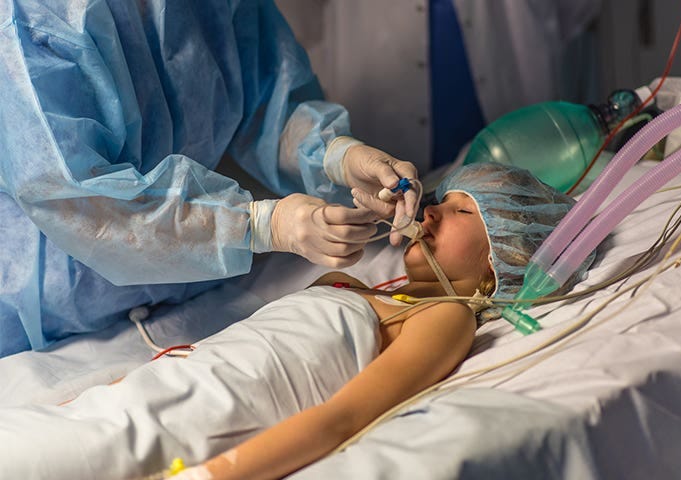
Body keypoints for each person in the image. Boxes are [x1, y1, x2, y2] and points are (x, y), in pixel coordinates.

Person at [0, 163, 593, 479]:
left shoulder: (447, 319)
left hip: (168, 438)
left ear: (505, 263)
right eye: (443, 197)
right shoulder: (352, 286)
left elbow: (341, 420)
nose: (434, 208)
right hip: (132, 402)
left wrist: (213, 479)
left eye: (464, 210)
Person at [0, 0, 418, 357]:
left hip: (190, 290)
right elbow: (84, 204)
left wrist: (335, 156)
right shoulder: (33, 22)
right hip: (61, 316)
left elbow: (266, 104)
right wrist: (260, 224)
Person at [276, 0, 602, 174]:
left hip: (508, 73)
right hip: (375, 87)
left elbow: (571, 11)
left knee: (518, 196)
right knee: (395, 198)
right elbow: (298, 21)